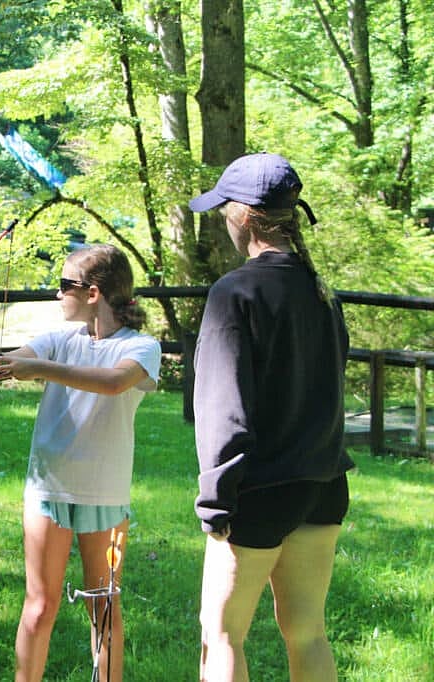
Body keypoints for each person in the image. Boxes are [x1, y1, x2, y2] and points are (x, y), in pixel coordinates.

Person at [0, 244, 161, 682]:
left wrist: (43, 370)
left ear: (93, 293)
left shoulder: (141, 347)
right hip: (48, 490)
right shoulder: (57, 342)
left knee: (103, 603)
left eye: (64, 285)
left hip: (105, 496)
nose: (57, 294)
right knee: (39, 604)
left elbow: (113, 383)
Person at [188, 152, 353, 682]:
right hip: (322, 485)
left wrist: (216, 502)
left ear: (243, 216)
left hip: (259, 491)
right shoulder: (322, 292)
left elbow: (223, 413)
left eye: (221, 212)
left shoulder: (233, 294)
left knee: (222, 634)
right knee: (308, 632)